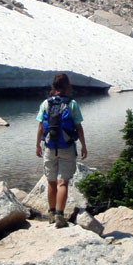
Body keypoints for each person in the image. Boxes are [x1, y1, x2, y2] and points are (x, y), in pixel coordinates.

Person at [35, 73, 87, 228]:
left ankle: (50, 214)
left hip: (50, 147)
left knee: (51, 182)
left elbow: (40, 126)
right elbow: (78, 127)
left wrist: (38, 145)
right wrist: (84, 146)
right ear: (67, 86)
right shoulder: (72, 104)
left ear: (54, 86)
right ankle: (59, 215)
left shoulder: (46, 103)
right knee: (62, 183)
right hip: (67, 147)